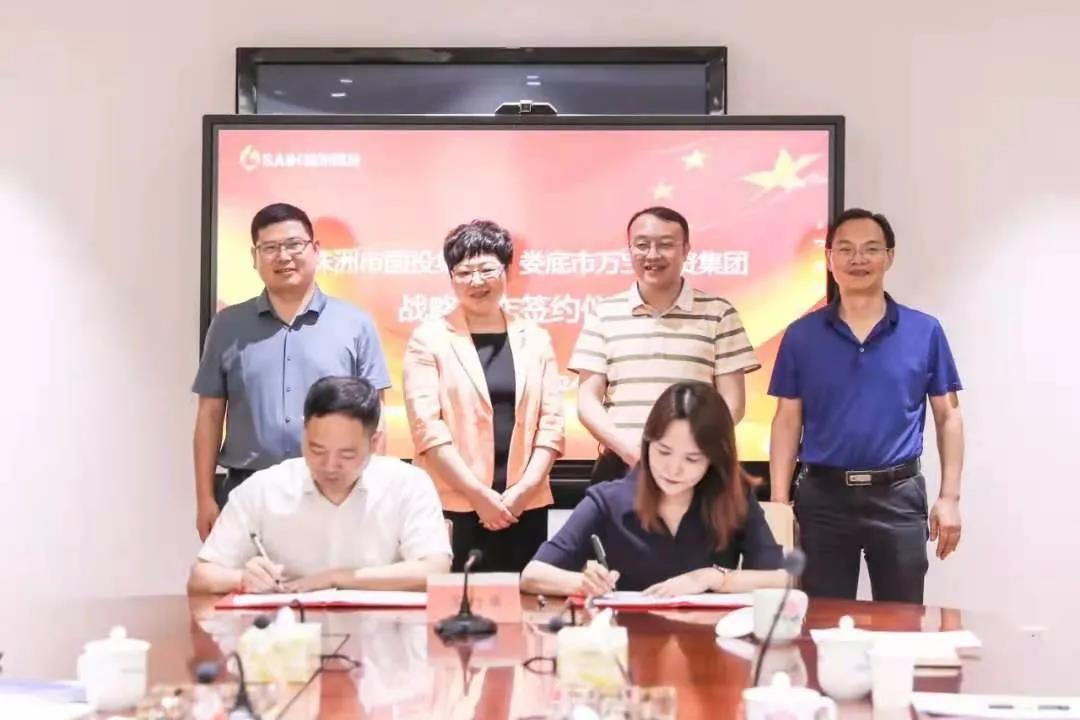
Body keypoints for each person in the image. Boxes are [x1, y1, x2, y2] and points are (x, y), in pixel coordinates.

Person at [768, 208, 964, 604]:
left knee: (902, 619)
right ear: (829, 259)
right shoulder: (802, 335)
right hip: (822, 499)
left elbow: (949, 416)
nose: (858, 259)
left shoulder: (924, 331)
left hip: (898, 497)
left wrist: (950, 498)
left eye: (871, 249)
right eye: (846, 249)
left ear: (889, 257)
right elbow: (787, 420)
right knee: (820, 620)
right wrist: (778, 504)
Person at [192, 203, 391, 540]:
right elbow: (209, 415)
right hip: (247, 489)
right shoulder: (227, 326)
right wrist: (204, 498)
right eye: (270, 247)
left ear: (315, 249)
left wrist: (370, 492)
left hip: (334, 490)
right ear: (254, 257)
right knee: (246, 574)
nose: (283, 256)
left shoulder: (355, 323)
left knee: (332, 575)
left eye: (293, 245)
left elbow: (377, 417)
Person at [188, 377, 451, 594]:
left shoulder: (408, 485)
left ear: (374, 442)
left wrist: (337, 578)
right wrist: (242, 579)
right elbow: (201, 576)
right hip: (290, 635)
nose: (330, 465)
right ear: (304, 433)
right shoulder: (263, 489)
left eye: (346, 454)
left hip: (386, 636)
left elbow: (435, 569)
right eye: (317, 450)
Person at [403, 220, 565, 573]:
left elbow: (551, 425)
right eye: (464, 272)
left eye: (487, 269)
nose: (476, 281)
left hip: (524, 506)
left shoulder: (535, 338)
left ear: (507, 271)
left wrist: (523, 492)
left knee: (523, 600)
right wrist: (479, 496)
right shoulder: (429, 339)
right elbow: (428, 430)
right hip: (453, 503)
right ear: (451, 278)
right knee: (452, 602)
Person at [521, 381, 784, 597]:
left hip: (709, 639)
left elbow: (780, 579)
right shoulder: (609, 500)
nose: (674, 469)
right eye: (664, 451)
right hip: (629, 640)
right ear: (647, 444)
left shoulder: (733, 497)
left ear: (715, 459)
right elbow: (532, 574)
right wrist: (581, 583)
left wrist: (710, 577)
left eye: (692, 459)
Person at [569, 206, 760, 484]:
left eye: (666, 245)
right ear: (630, 249)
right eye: (642, 245)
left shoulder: (719, 313)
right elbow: (587, 401)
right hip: (622, 468)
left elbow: (733, 403)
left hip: (697, 469)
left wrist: (688, 452)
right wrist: (631, 452)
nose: (652, 254)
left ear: (686, 250)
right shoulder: (603, 313)